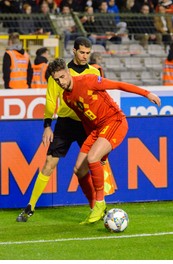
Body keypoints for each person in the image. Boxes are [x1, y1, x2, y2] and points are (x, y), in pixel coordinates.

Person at [47, 57, 161, 224]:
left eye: (62, 77)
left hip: (114, 121)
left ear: (68, 72)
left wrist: (146, 93)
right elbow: (85, 119)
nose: (61, 82)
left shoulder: (89, 80)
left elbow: (118, 85)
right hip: (96, 131)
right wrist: (93, 142)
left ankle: (101, 203)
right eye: (56, 80)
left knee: (93, 158)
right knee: (79, 169)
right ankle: (95, 208)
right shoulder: (66, 98)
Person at [16, 36, 115, 223]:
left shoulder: (95, 71)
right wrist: (47, 125)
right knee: (49, 164)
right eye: (82, 52)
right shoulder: (61, 72)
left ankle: (97, 206)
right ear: (74, 51)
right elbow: (51, 99)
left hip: (87, 124)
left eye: (88, 53)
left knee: (91, 166)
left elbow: (102, 97)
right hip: (65, 123)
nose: (85, 56)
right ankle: (30, 207)